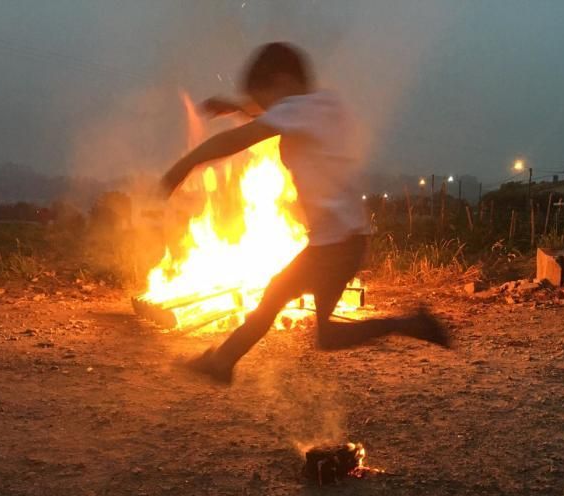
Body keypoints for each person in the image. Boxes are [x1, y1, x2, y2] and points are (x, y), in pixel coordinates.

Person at [161, 42, 449, 385]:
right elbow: (280, 112)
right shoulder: (326, 104)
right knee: (288, 307)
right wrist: (240, 107)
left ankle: (410, 324)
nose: (264, 110)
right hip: (344, 239)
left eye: (265, 99)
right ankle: (223, 362)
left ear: (282, 82)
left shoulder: (296, 111)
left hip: (334, 246)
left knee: (291, 309)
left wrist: (180, 169)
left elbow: (234, 141)